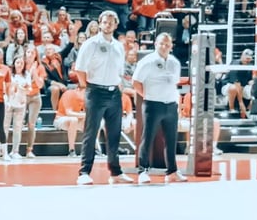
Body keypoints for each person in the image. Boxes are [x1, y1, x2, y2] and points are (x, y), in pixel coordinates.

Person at [74, 10, 133, 185]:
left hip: (114, 92)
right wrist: (88, 86)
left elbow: (120, 71)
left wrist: (118, 86)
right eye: (105, 22)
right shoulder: (90, 44)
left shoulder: (118, 46)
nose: (108, 25)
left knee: (114, 134)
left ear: (116, 25)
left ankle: (115, 172)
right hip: (95, 92)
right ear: (100, 23)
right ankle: (84, 172)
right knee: (90, 133)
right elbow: (79, 69)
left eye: (111, 22)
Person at [133, 33, 186, 184]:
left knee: (171, 140)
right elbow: (136, 82)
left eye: (167, 45)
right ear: (155, 44)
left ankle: (172, 171)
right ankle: (143, 171)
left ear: (171, 46)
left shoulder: (175, 62)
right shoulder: (147, 62)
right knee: (147, 138)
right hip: (152, 104)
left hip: (170, 105)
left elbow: (174, 83)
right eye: (162, 43)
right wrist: (148, 95)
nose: (164, 47)